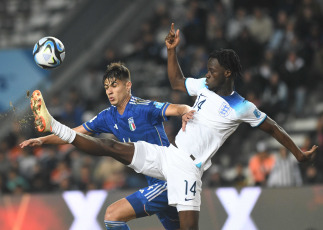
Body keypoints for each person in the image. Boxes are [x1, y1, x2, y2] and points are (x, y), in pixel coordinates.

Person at [25, 23, 317, 230]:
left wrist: (298, 153)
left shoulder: (242, 107)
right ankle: (55, 124)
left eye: (212, 71)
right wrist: (171, 52)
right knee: (113, 147)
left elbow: (274, 128)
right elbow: (177, 83)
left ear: (227, 73)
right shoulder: (203, 86)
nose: (206, 74)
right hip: (169, 155)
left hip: (188, 170)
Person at [20, 62, 191, 230]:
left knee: (113, 216)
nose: (109, 90)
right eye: (106, 87)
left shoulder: (144, 108)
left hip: (171, 179)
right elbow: (74, 134)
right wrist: (43, 140)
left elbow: (177, 108)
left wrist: (185, 111)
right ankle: (52, 124)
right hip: (156, 183)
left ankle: (52, 123)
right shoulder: (108, 116)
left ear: (128, 85)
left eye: (114, 85)